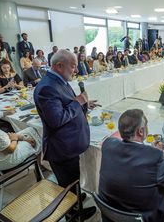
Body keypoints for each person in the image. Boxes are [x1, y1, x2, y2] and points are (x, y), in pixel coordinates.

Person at [33, 49, 98, 219]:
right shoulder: (46, 87)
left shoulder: (58, 80)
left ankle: (75, 198)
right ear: (59, 65)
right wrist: (78, 103)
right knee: (67, 183)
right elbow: (56, 119)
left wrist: (84, 104)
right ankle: (74, 214)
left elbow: (65, 103)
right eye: (73, 66)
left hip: (68, 144)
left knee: (72, 179)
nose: (75, 70)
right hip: (61, 148)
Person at [99, 109, 164, 222]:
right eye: (146, 126)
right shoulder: (154, 156)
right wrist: (160, 154)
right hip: (141, 216)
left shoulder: (108, 144)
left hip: (109, 212)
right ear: (141, 131)